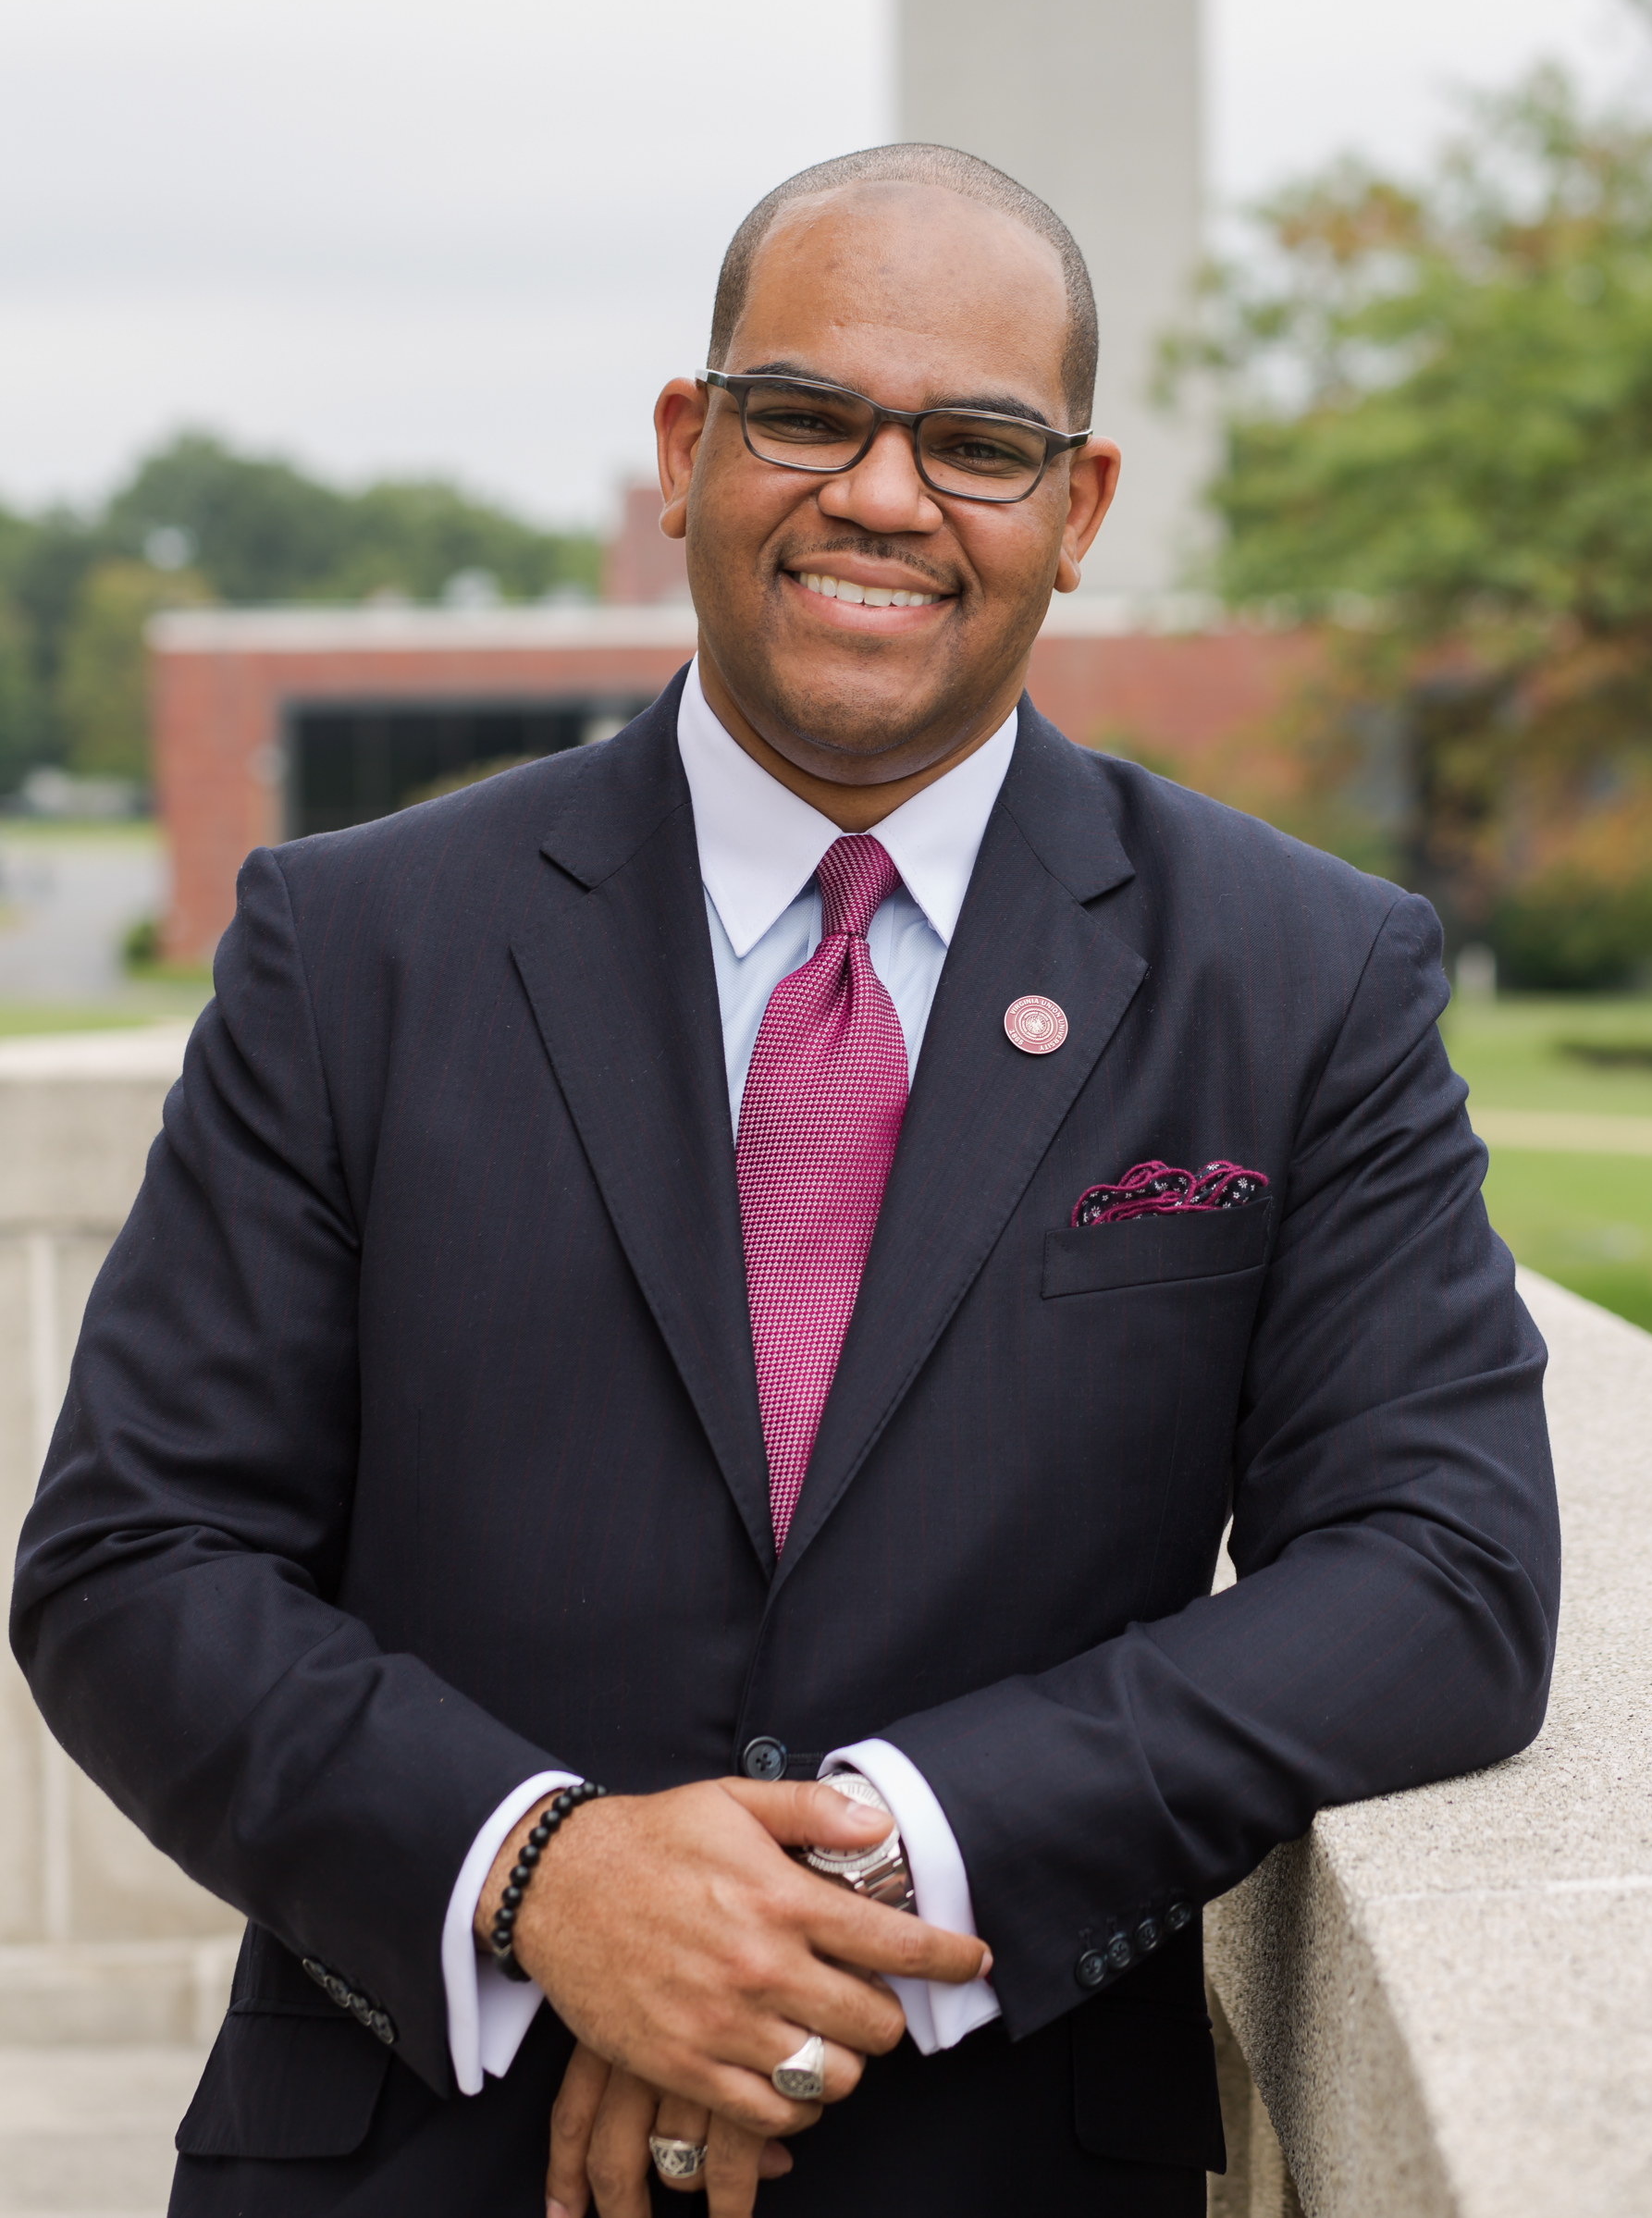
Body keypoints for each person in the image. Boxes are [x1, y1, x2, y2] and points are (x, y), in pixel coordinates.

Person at [12, 144, 1559, 2218]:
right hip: (415, 2159)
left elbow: (1443, 1569)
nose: (884, 498)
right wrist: (549, 1875)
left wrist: (874, 1875)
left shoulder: (1297, 977)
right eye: (809, 414)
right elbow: (137, 1555)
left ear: (1078, 511)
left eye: (980, 443)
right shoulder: (353, 946)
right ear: (686, 448)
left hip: (1000, 2155)